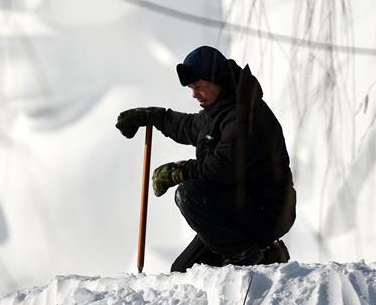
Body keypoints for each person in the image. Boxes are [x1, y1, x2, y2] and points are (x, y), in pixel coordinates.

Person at [116, 45, 296, 272]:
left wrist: (178, 171)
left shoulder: (244, 115)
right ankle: (262, 254)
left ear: (218, 80)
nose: (194, 94)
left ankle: (254, 258)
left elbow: (221, 168)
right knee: (183, 272)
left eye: (199, 87)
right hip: (240, 208)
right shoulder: (220, 109)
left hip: (267, 211)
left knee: (190, 194)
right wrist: (154, 116)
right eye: (191, 88)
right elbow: (190, 126)